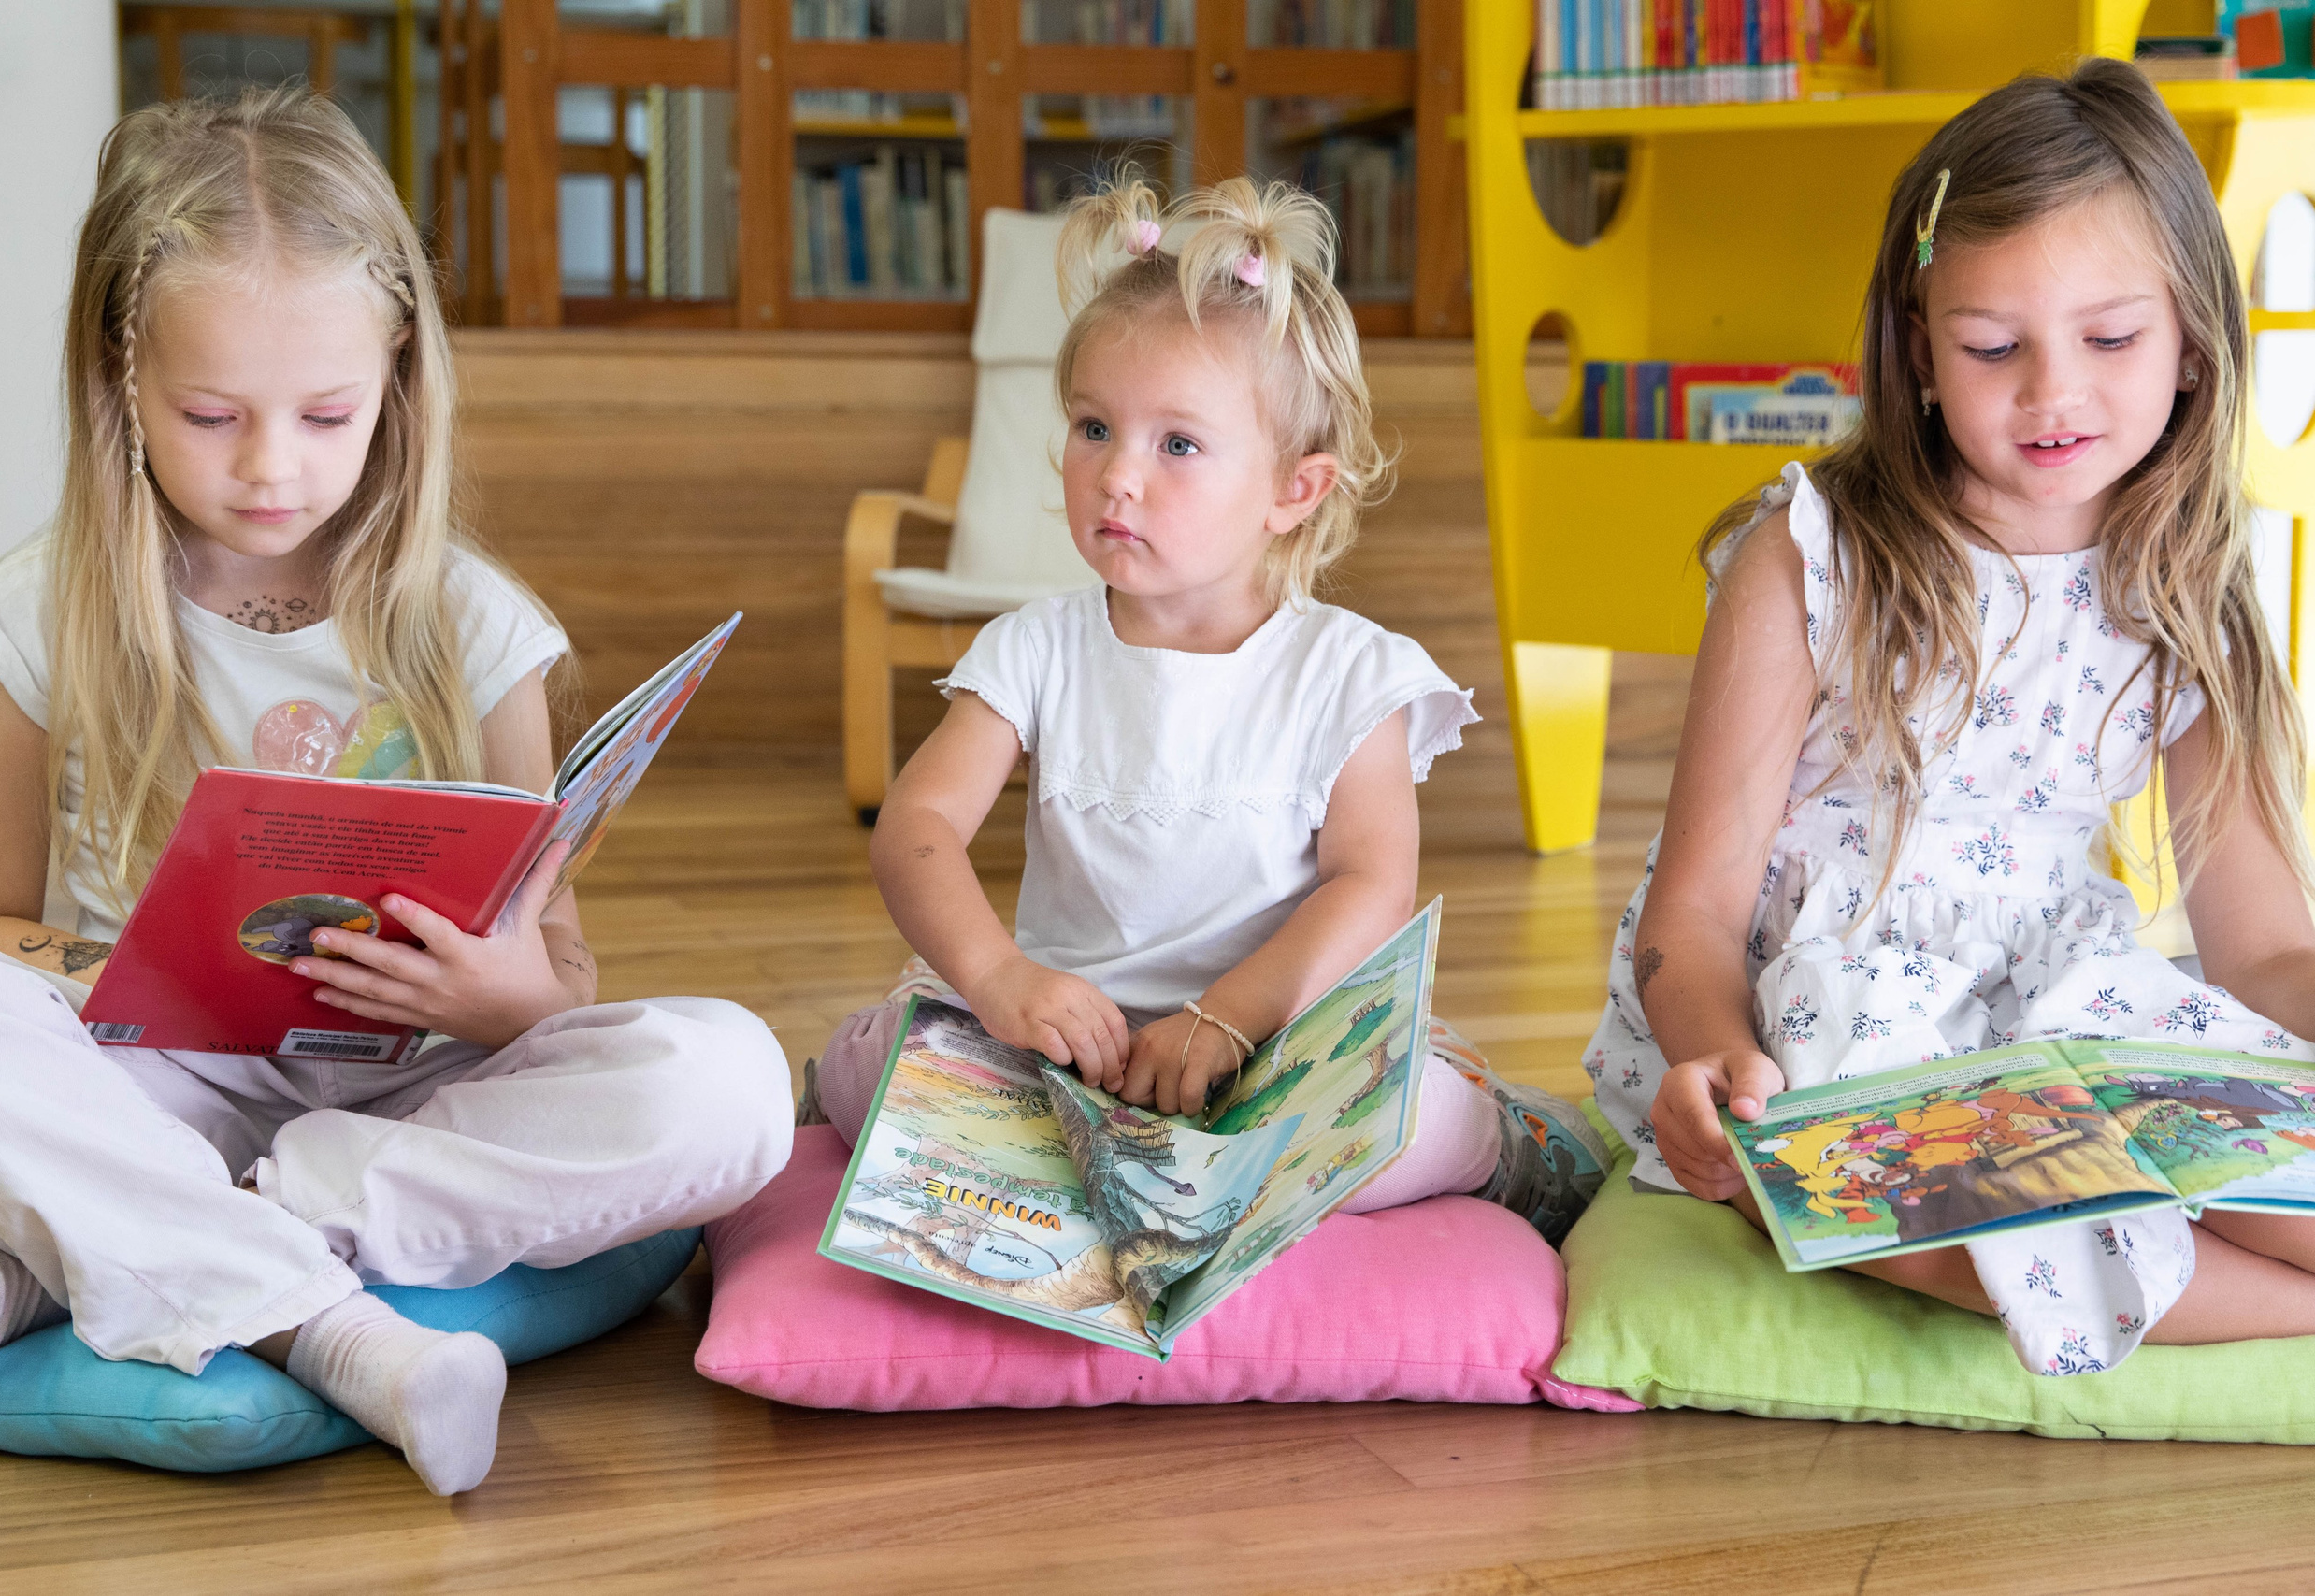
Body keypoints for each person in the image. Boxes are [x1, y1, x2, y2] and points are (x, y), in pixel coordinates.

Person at [0, 90, 791, 1492]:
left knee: (734, 1081)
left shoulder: (478, 623)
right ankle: (331, 1331)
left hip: (416, 1095)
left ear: (398, 370)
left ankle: (132, 1242)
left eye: (328, 412)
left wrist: (503, 996)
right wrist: (126, 970)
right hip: (151, 1079)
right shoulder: (34, 616)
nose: (274, 465)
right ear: (118, 375)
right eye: (212, 414)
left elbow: (558, 968)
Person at [1589, 59, 2315, 1375]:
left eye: (2111, 339)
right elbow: (1689, 914)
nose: (2053, 393)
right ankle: (2241, 1295)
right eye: (1993, 346)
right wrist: (1717, 1057)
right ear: (1918, 347)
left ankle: (2144, 1243)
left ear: (2195, 340)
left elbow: (2263, 952)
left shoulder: (2184, 589)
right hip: (1826, 1007)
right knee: (1873, 1188)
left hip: (2057, 999)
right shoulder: (1806, 557)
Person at [812, 174, 1608, 1240]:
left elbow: (1371, 882)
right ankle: (1116, 1165)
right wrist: (1000, 977)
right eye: (1093, 427)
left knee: (1409, 1125)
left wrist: (1228, 1019)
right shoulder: (1034, 645)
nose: (1116, 477)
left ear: (1296, 489)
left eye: (1176, 445)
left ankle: (1516, 1144)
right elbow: (915, 829)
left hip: (1268, 1042)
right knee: (864, 1069)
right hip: (1065, 1047)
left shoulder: (1350, 671)